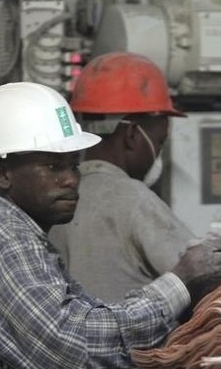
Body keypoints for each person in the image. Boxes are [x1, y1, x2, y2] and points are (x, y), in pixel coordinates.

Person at [0, 82, 221, 367]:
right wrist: (180, 282)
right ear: (2, 173)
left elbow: (89, 318)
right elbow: (79, 349)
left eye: (72, 165)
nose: (70, 179)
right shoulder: (4, 242)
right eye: (53, 166)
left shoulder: (24, 237)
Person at [48, 52, 196, 301]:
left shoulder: (57, 198)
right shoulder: (133, 198)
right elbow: (199, 273)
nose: (157, 153)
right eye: (160, 142)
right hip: (134, 339)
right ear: (132, 136)